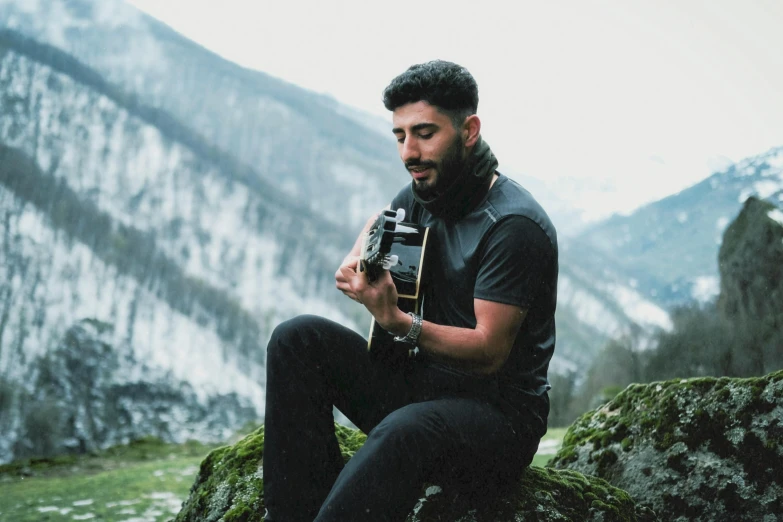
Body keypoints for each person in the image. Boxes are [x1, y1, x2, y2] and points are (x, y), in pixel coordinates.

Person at [262, 60, 558, 522]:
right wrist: (358, 265)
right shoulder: (422, 192)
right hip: (421, 390)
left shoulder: (513, 226)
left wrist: (398, 322)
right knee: (295, 339)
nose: (408, 152)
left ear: (469, 130)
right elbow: (379, 227)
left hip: (497, 422)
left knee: (406, 429)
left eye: (424, 133)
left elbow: (489, 350)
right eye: (399, 136)